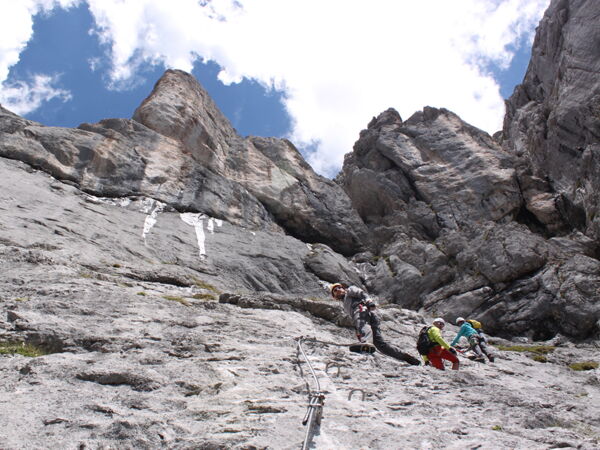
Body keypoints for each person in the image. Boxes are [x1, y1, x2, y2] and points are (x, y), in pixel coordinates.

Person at [330, 283, 421, 366]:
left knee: (362, 324)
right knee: (380, 345)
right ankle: (407, 358)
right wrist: (359, 331)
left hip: (361, 310)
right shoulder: (345, 302)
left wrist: (369, 301)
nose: (338, 289)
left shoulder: (349, 291)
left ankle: (366, 343)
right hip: (367, 315)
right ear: (334, 296)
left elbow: (361, 293)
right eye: (335, 290)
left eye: (339, 287)